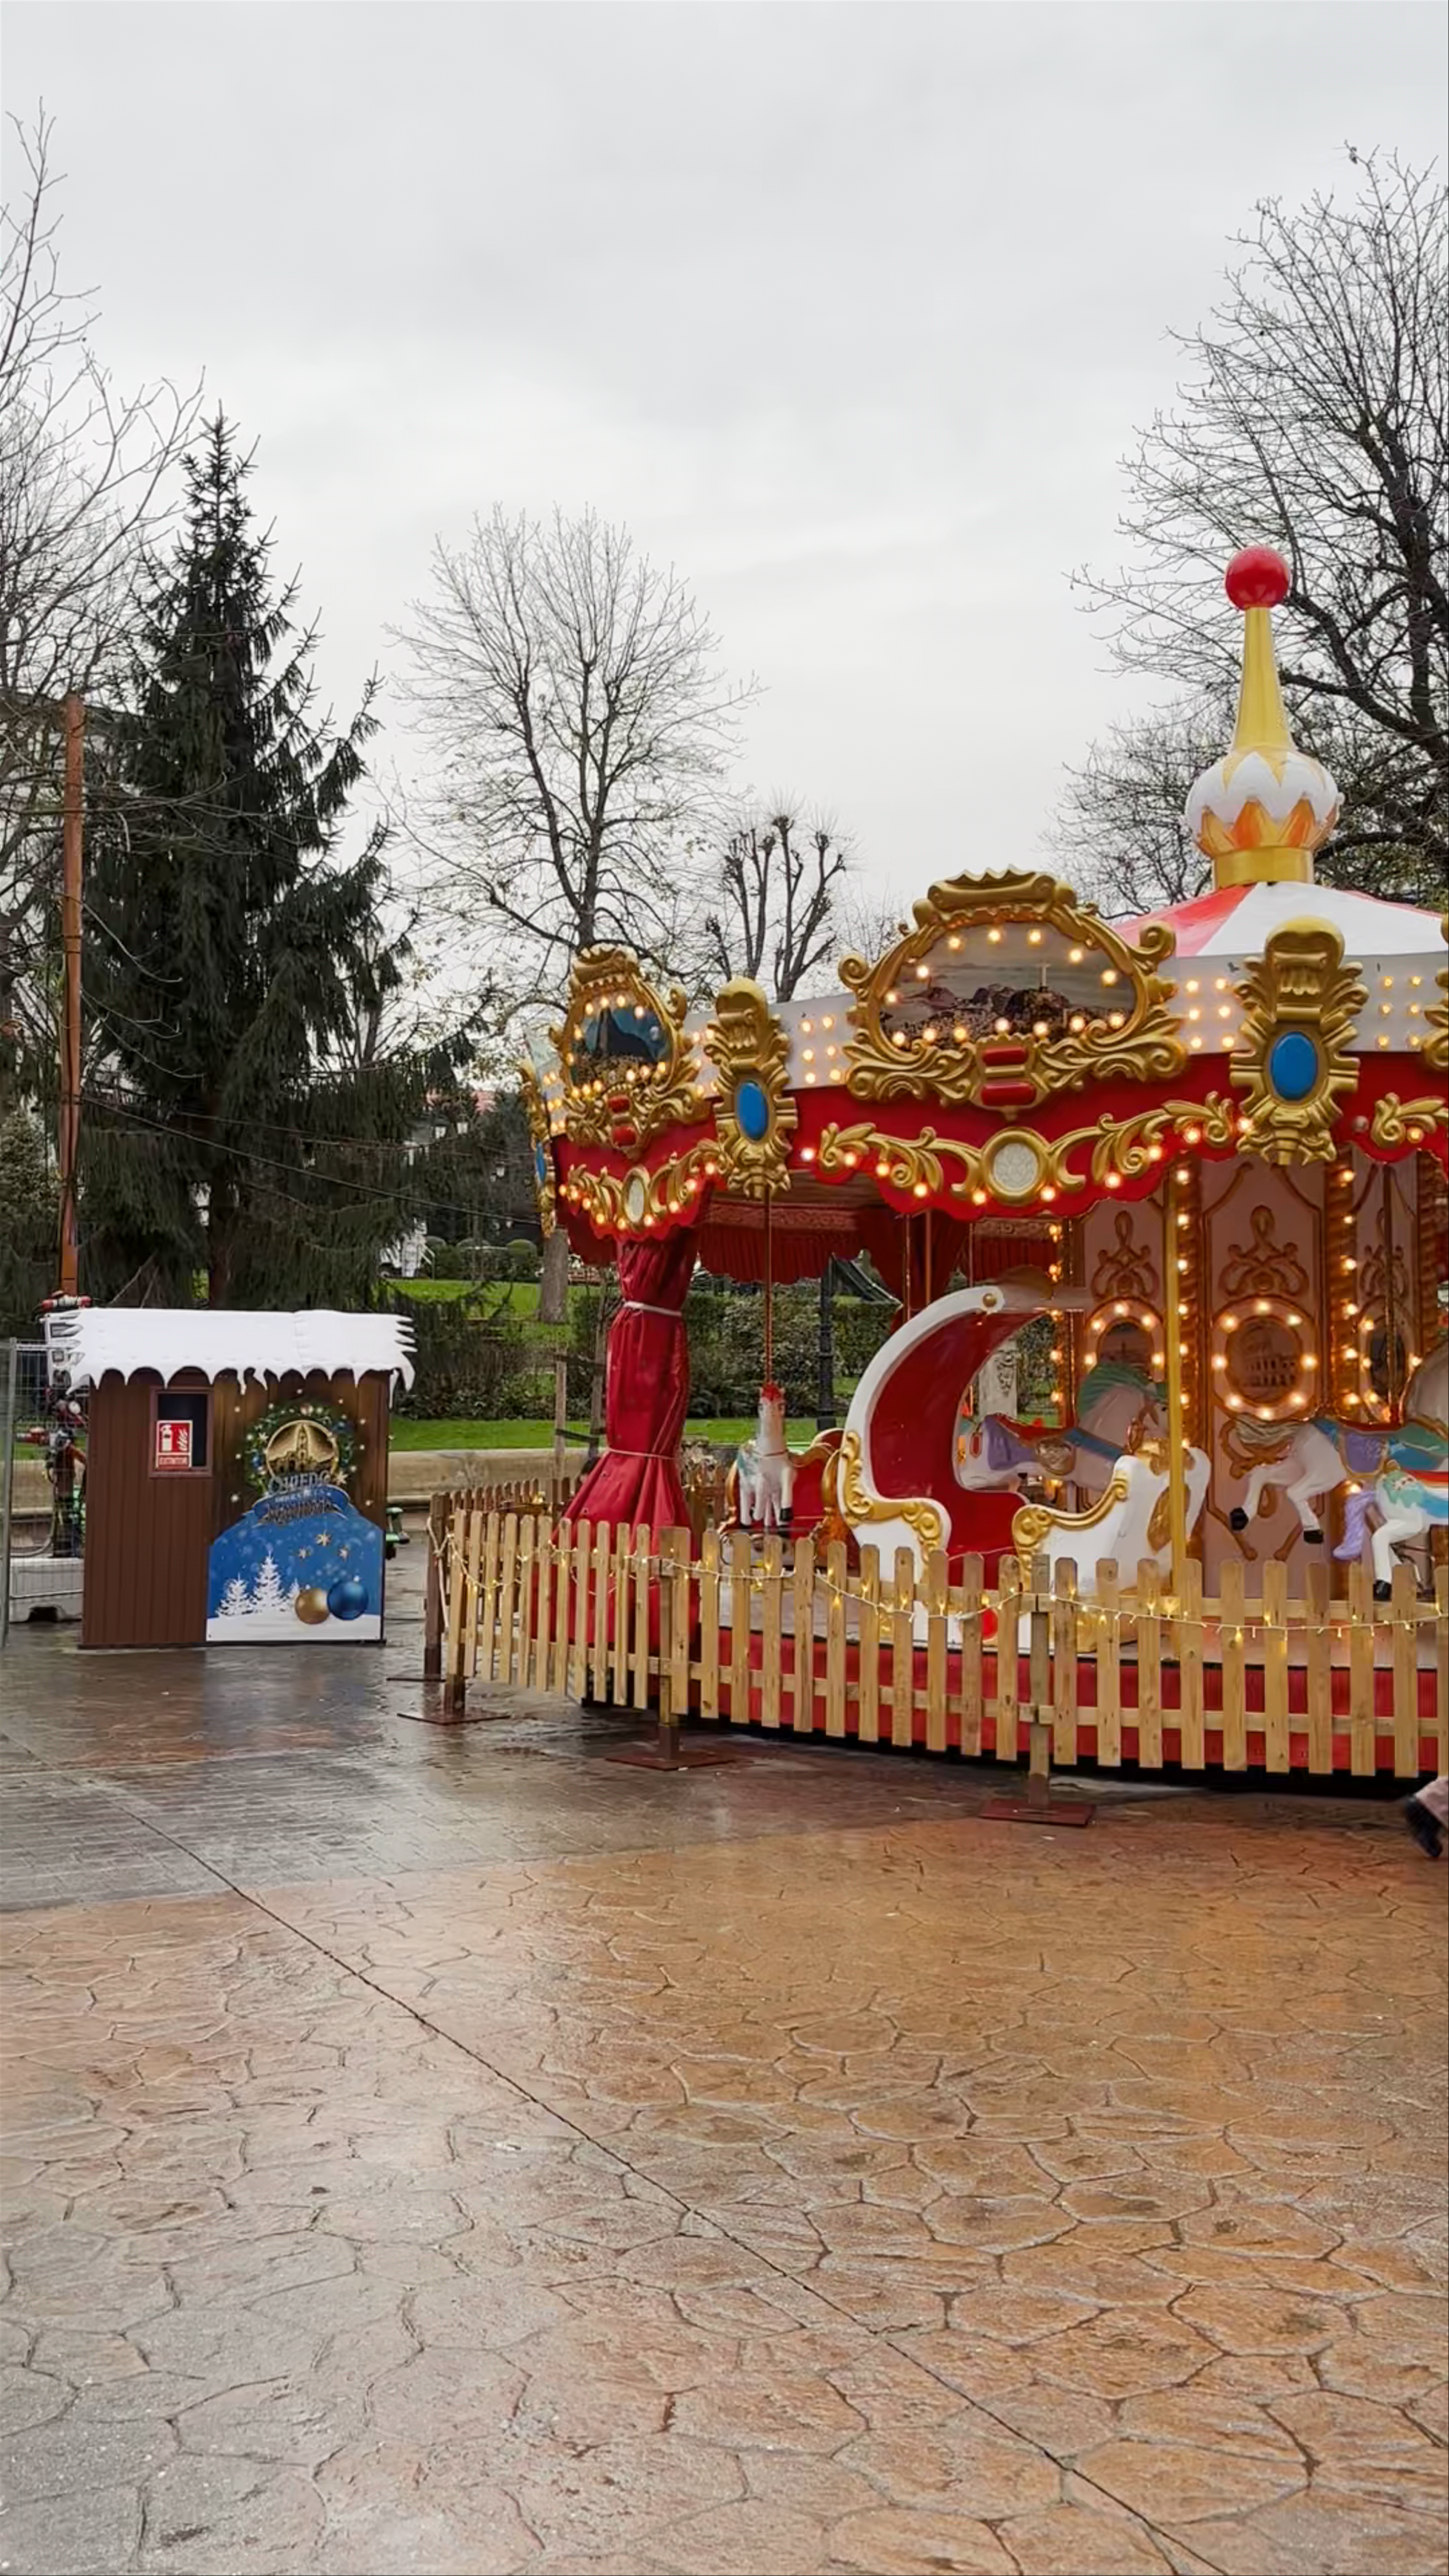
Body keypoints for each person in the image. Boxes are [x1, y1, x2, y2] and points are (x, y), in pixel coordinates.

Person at [1404, 1776, 1447, 1859]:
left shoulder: (1444, 1780)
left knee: (1433, 1844)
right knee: (1434, 1846)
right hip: (1427, 1810)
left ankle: (1424, 1833)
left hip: (1412, 1803)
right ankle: (1425, 1835)